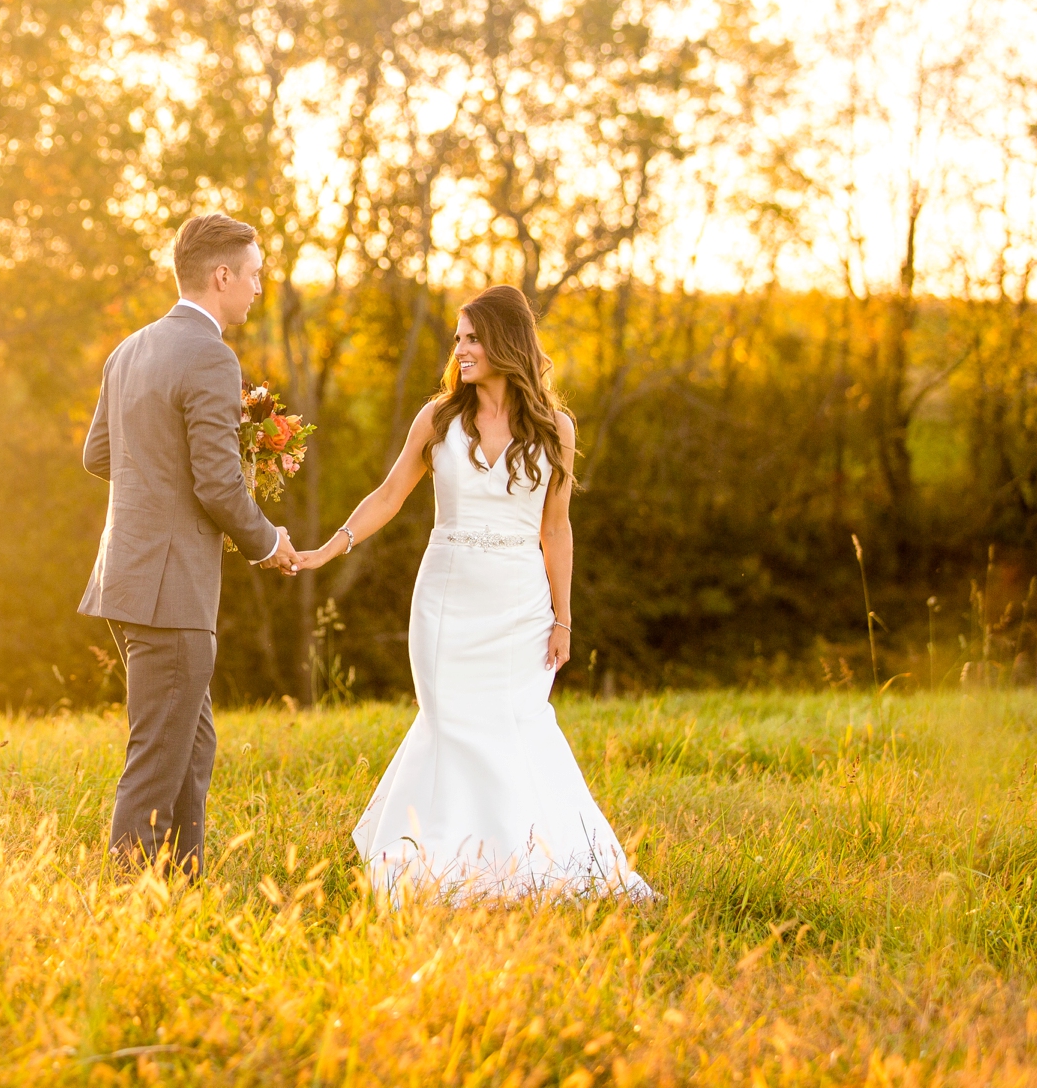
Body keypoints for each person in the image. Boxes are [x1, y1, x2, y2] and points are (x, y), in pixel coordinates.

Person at [293, 285, 653, 901]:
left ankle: (529, 863)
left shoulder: (555, 428)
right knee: (450, 724)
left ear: (506, 343)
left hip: (519, 606)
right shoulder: (438, 420)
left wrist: (563, 619)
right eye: (458, 339)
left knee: (516, 724)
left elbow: (556, 527)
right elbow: (388, 495)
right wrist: (332, 545)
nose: (460, 351)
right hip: (446, 601)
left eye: (472, 339)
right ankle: (436, 866)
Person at [78, 213, 297, 876]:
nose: (259, 288)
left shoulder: (129, 349)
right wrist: (269, 542)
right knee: (156, 760)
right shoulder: (208, 354)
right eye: (254, 275)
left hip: (126, 579)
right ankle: (129, 910)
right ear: (221, 275)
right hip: (170, 590)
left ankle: (180, 891)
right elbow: (218, 488)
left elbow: (98, 456)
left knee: (191, 748)